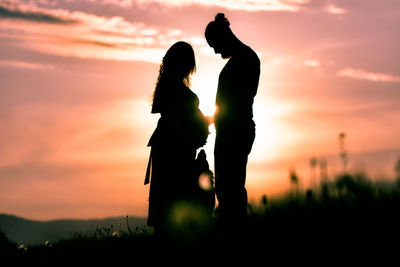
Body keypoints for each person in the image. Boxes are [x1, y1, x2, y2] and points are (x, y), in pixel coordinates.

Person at [144, 41, 211, 239]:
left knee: (173, 194)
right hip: (175, 149)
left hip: (175, 147)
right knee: (174, 194)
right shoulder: (172, 88)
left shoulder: (169, 85)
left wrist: (203, 124)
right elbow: (179, 120)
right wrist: (199, 128)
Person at [205, 13, 260, 228]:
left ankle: (234, 233)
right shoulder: (246, 58)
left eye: (214, 45)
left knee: (231, 191)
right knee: (228, 190)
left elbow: (237, 104)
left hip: (234, 133)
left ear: (223, 35)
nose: (216, 51)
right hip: (231, 131)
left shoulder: (245, 59)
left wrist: (210, 120)